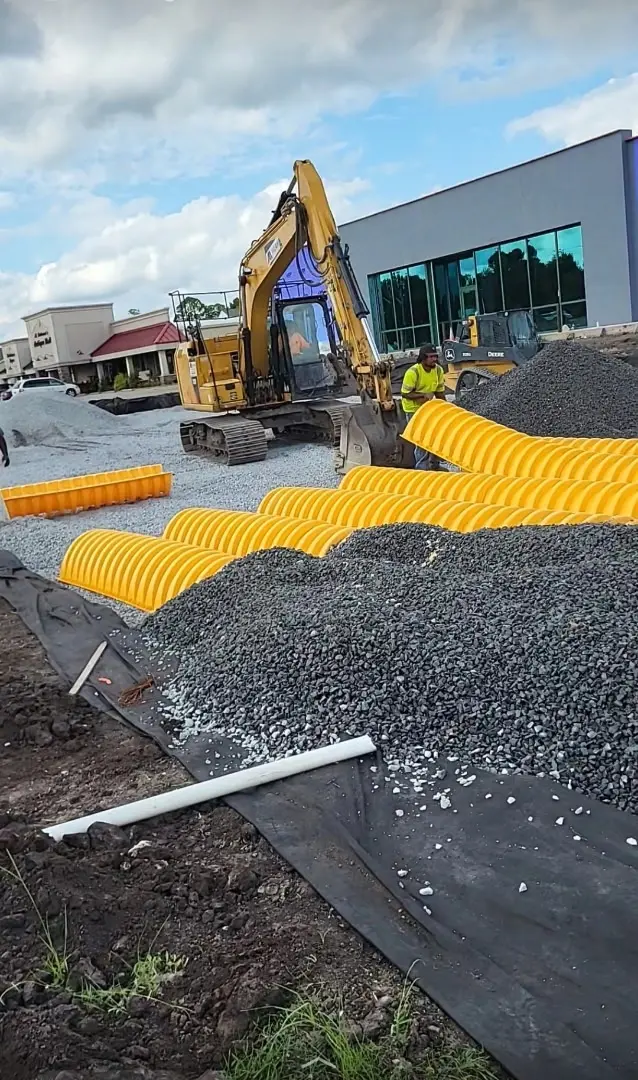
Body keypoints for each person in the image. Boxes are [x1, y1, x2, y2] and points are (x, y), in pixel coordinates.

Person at [400, 344, 446, 470]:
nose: (434, 359)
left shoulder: (438, 370)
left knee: (436, 436)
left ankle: (434, 465)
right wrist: (422, 396)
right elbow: (405, 393)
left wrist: (447, 408)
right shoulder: (413, 372)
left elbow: (439, 392)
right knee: (421, 439)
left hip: (428, 408)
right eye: (431, 357)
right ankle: (422, 468)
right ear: (423, 358)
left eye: (435, 356)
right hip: (413, 409)